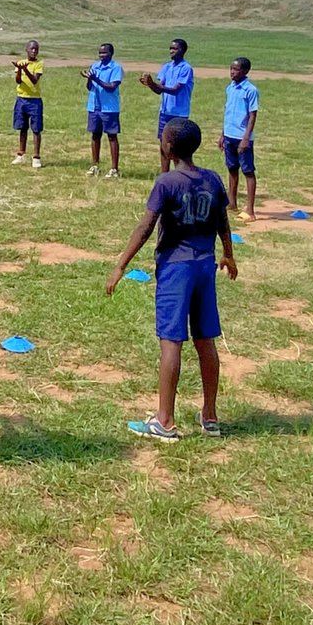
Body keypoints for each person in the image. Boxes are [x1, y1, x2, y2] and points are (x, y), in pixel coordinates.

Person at [108, 118, 237, 442]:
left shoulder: (166, 182)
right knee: (206, 341)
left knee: (171, 342)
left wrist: (121, 265)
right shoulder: (212, 179)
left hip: (175, 270)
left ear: (168, 146)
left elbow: (145, 227)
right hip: (204, 266)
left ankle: (164, 421)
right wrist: (228, 253)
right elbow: (222, 220)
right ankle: (210, 415)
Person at [140, 39, 195, 172]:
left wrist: (153, 84)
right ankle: (164, 175)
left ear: (183, 51)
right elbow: (159, 90)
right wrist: (150, 84)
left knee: (178, 147)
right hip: (165, 112)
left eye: (175, 49)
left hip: (179, 113)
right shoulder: (166, 67)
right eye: (170, 48)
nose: (171, 51)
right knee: (164, 146)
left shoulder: (186, 68)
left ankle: (180, 174)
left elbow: (175, 90)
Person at [219, 58, 259, 221]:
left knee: (248, 171)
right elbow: (227, 112)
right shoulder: (230, 88)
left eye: (236, 69)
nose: (232, 72)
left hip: (242, 137)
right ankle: (232, 202)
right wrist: (223, 134)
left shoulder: (250, 90)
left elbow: (252, 115)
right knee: (232, 168)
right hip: (229, 135)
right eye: (231, 69)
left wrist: (246, 138)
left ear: (245, 71)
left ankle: (250, 210)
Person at [82, 42, 123, 178]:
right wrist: (89, 79)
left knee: (112, 136)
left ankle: (114, 169)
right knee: (95, 135)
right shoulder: (95, 66)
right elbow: (90, 87)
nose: (101, 55)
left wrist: (96, 79)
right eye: (100, 53)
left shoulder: (115, 68)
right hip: (94, 106)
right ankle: (95, 165)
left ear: (111, 54)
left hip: (109, 108)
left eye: (104, 53)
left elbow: (111, 87)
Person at [11, 40, 44, 169]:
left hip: (34, 100)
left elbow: (35, 80)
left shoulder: (39, 64)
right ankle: (21, 154)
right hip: (21, 99)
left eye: (36, 49)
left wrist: (25, 69)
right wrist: (20, 70)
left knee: (36, 129)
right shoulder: (21, 62)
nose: (34, 51)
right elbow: (18, 81)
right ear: (27, 50)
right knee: (22, 127)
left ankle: (36, 156)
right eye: (31, 49)